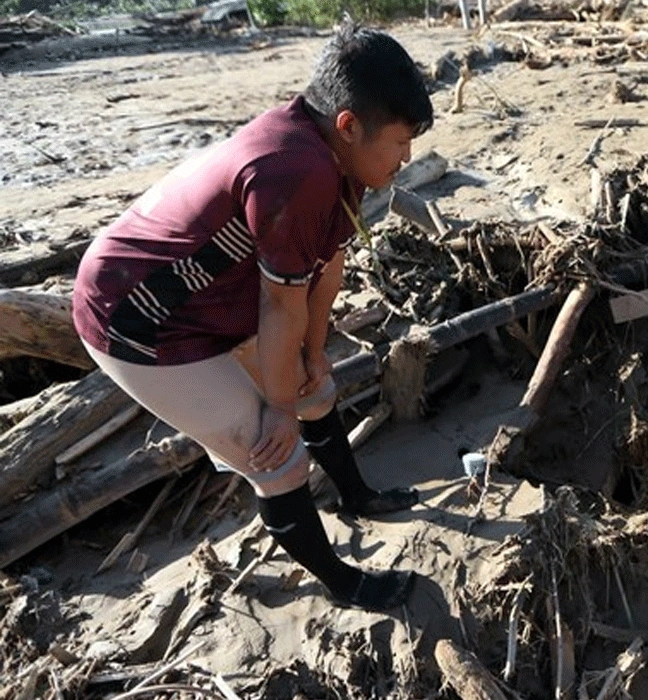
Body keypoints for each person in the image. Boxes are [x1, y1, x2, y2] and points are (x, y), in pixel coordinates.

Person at [72, 23, 433, 611]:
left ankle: (356, 497)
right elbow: (279, 303)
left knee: (316, 390)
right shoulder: (297, 171)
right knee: (275, 452)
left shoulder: (340, 158)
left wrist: (312, 357)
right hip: (137, 316)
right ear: (349, 125)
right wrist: (278, 408)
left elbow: (327, 271)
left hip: (211, 297)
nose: (406, 157)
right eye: (398, 142)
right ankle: (345, 585)